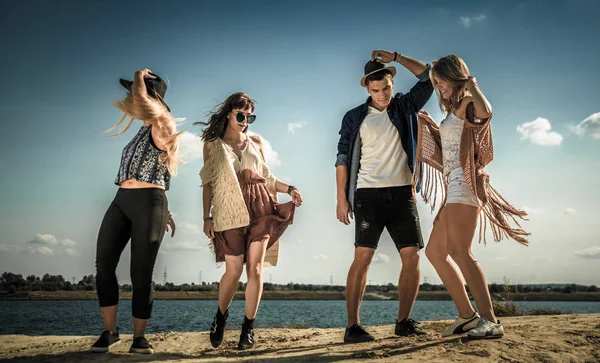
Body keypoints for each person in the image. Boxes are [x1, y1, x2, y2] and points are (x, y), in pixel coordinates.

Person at [413, 55, 529, 339]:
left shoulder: (467, 104)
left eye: (440, 80)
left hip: (464, 185)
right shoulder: (453, 111)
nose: (437, 86)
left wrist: (472, 85)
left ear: (455, 77)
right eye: (435, 82)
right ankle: (467, 316)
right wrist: (430, 126)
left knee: (460, 252)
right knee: (435, 252)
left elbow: (486, 112)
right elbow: (449, 149)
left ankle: (491, 321)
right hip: (452, 185)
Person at [335, 50, 434, 343]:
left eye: (386, 88)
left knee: (412, 256)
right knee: (362, 258)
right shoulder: (354, 117)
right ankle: (353, 326)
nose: (381, 95)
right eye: (375, 90)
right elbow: (342, 159)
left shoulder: (405, 106)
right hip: (368, 194)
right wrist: (342, 199)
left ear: (392, 82)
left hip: (403, 193)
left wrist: (397, 57)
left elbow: (428, 76)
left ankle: (403, 321)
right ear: (367, 88)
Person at [198, 92, 302, 350]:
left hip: (260, 209)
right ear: (230, 113)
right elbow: (208, 183)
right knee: (233, 272)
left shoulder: (255, 141)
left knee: (254, 268)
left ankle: (248, 329)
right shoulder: (213, 143)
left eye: (250, 117)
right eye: (242, 115)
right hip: (228, 212)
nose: (246, 121)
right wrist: (206, 217)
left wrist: (290, 189)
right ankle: (221, 318)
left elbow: (267, 178)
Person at [91, 69, 180, 354]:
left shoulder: (163, 122)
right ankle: (110, 331)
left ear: (150, 96)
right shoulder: (142, 130)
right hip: (121, 200)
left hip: (149, 203)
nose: (130, 97)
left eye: (135, 91)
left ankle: (139, 338)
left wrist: (138, 75)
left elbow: (158, 181)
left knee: (141, 273)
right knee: (104, 265)